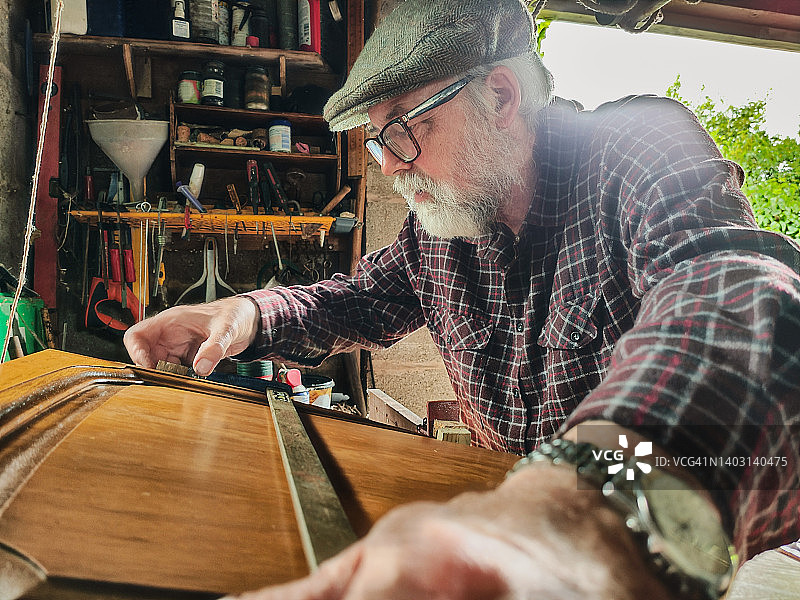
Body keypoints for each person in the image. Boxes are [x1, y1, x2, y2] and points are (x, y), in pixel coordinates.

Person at [125, 0, 800, 597]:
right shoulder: (442, 229)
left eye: (400, 126)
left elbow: (735, 292)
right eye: (376, 136)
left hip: (680, 557)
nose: (386, 162)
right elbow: (353, 301)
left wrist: (584, 510)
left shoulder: (634, 149)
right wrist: (244, 314)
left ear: (501, 97)